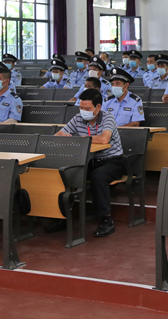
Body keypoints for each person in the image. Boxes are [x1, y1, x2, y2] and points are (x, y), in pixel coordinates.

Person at [50, 88, 124, 238]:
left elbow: (104, 139)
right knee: (65, 174)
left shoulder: (107, 117)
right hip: (89, 160)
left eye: (87, 109)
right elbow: (58, 134)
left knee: (98, 176)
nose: (83, 112)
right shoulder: (78, 118)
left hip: (113, 161)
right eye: (81, 108)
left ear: (98, 107)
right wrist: (64, 137)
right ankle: (62, 217)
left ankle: (106, 220)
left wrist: (82, 138)